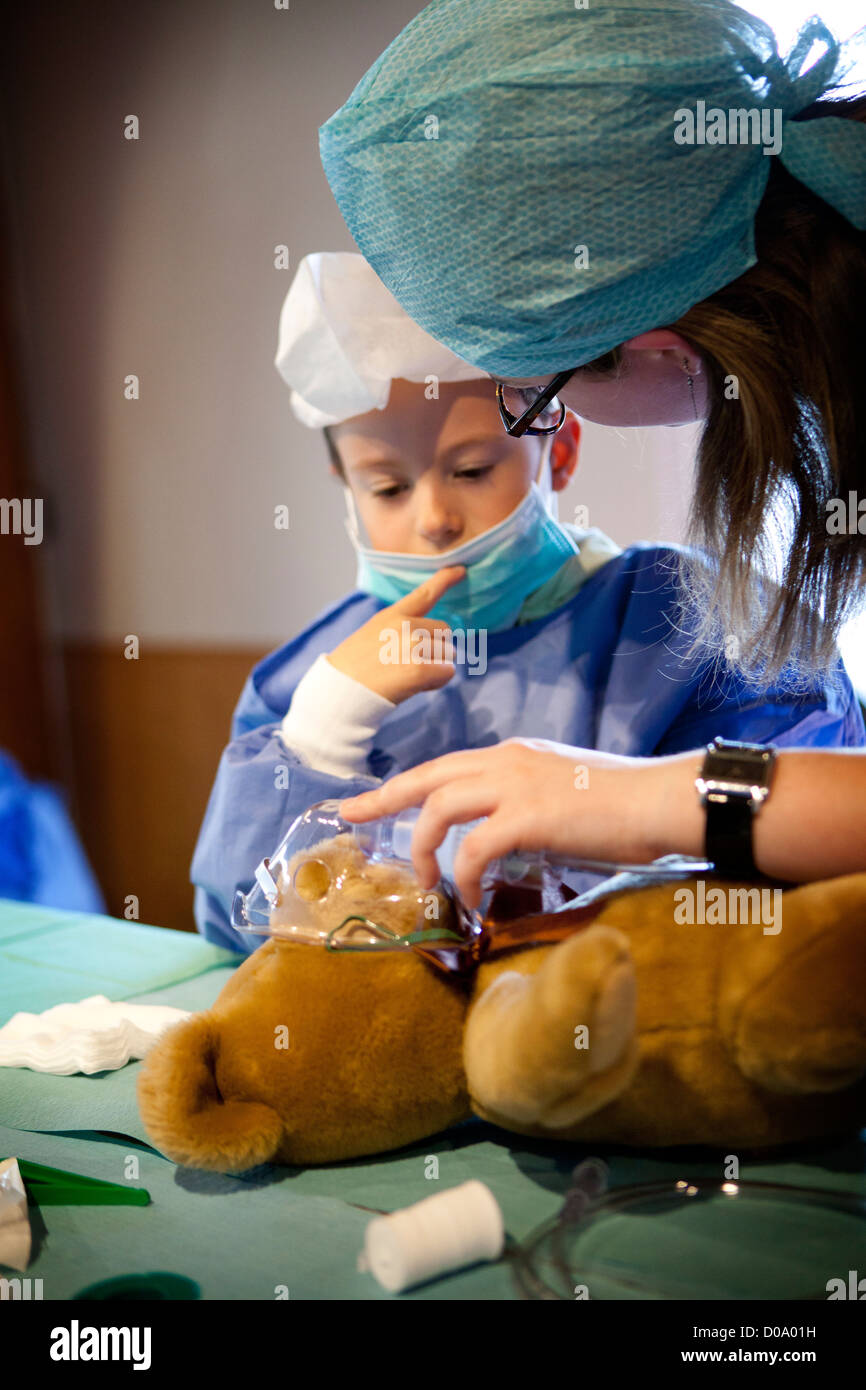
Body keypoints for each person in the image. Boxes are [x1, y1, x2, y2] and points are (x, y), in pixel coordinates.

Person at [315, 0, 866, 904]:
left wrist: (641, 801)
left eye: (527, 391)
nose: (435, 513)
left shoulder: (671, 620)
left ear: (652, 341)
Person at [191, 252, 863, 951]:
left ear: (559, 450)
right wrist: (319, 741)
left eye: (473, 470)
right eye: (387, 487)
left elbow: (788, 888)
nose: (434, 520)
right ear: (344, 486)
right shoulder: (309, 683)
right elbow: (238, 929)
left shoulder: (691, 622)